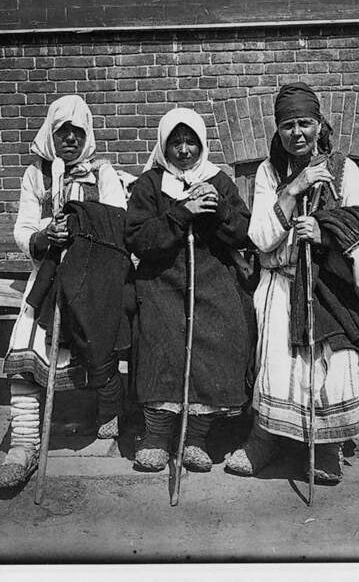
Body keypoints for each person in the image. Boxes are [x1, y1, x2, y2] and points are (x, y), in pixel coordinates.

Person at [226, 82, 359, 482]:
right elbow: (259, 238)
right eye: (288, 125)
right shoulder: (268, 171)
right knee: (277, 355)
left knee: (338, 360)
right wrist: (293, 190)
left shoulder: (344, 169)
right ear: (278, 131)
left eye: (305, 124)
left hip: (330, 286)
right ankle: (266, 438)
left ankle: (327, 445)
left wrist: (326, 235)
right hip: (282, 280)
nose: (297, 133)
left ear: (319, 123)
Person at [0, 95, 130, 490]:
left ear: (87, 135)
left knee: (98, 351)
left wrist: (83, 224)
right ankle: (23, 445)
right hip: (47, 281)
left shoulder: (101, 173)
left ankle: (109, 412)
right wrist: (44, 234)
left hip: (91, 279)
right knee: (26, 355)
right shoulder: (36, 175)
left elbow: (117, 222)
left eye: (77, 131)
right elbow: (22, 228)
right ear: (50, 133)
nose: (69, 137)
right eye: (61, 130)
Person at [125, 107, 253, 473]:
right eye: (176, 142)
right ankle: (157, 437)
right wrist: (182, 212)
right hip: (161, 283)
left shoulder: (220, 180)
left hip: (212, 281)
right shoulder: (150, 184)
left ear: (202, 144)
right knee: (160, 344)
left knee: (219, 340)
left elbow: (244, 232)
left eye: (191, 141)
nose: (184, 150)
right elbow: (137, 238)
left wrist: (218, 209)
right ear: (164, 145)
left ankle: (196, 436)